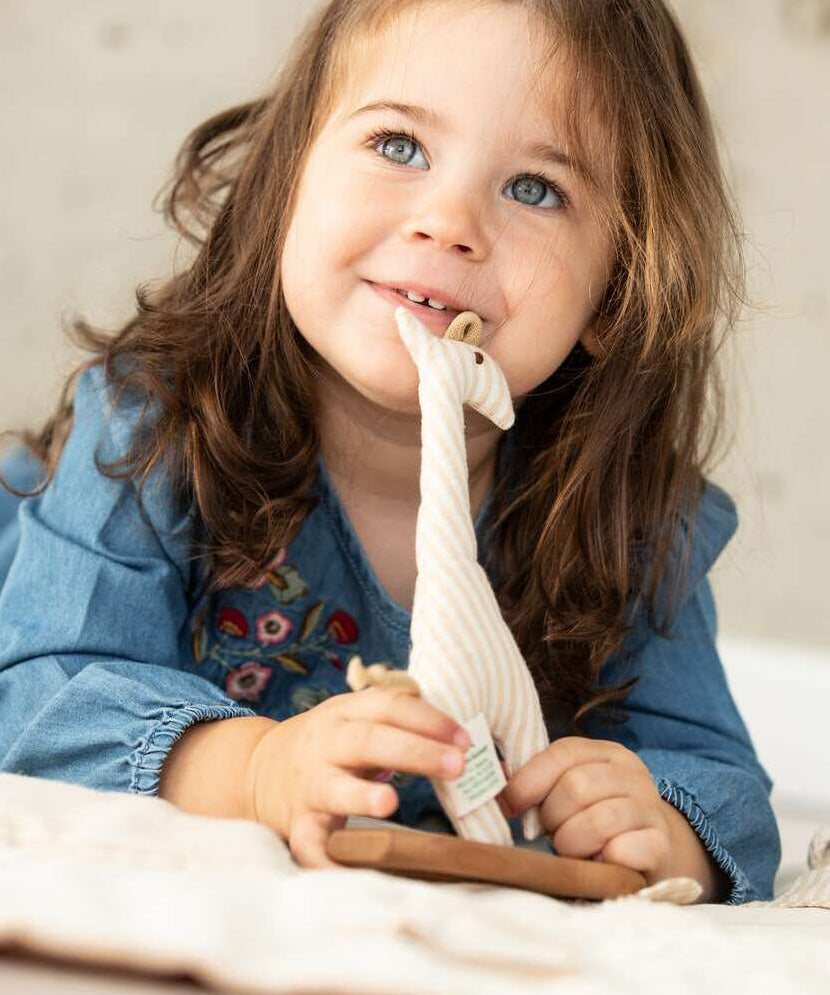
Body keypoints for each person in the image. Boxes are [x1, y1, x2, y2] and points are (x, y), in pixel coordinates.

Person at [0, 0, 780, 904]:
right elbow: (40, 702)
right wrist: (256, 770)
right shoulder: (158, 422)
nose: (449, 221)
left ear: (617, 293)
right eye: (400, 145)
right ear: (289, 174)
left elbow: (726, 791)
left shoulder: (631, 523)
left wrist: (663, 828)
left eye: (535, 188)